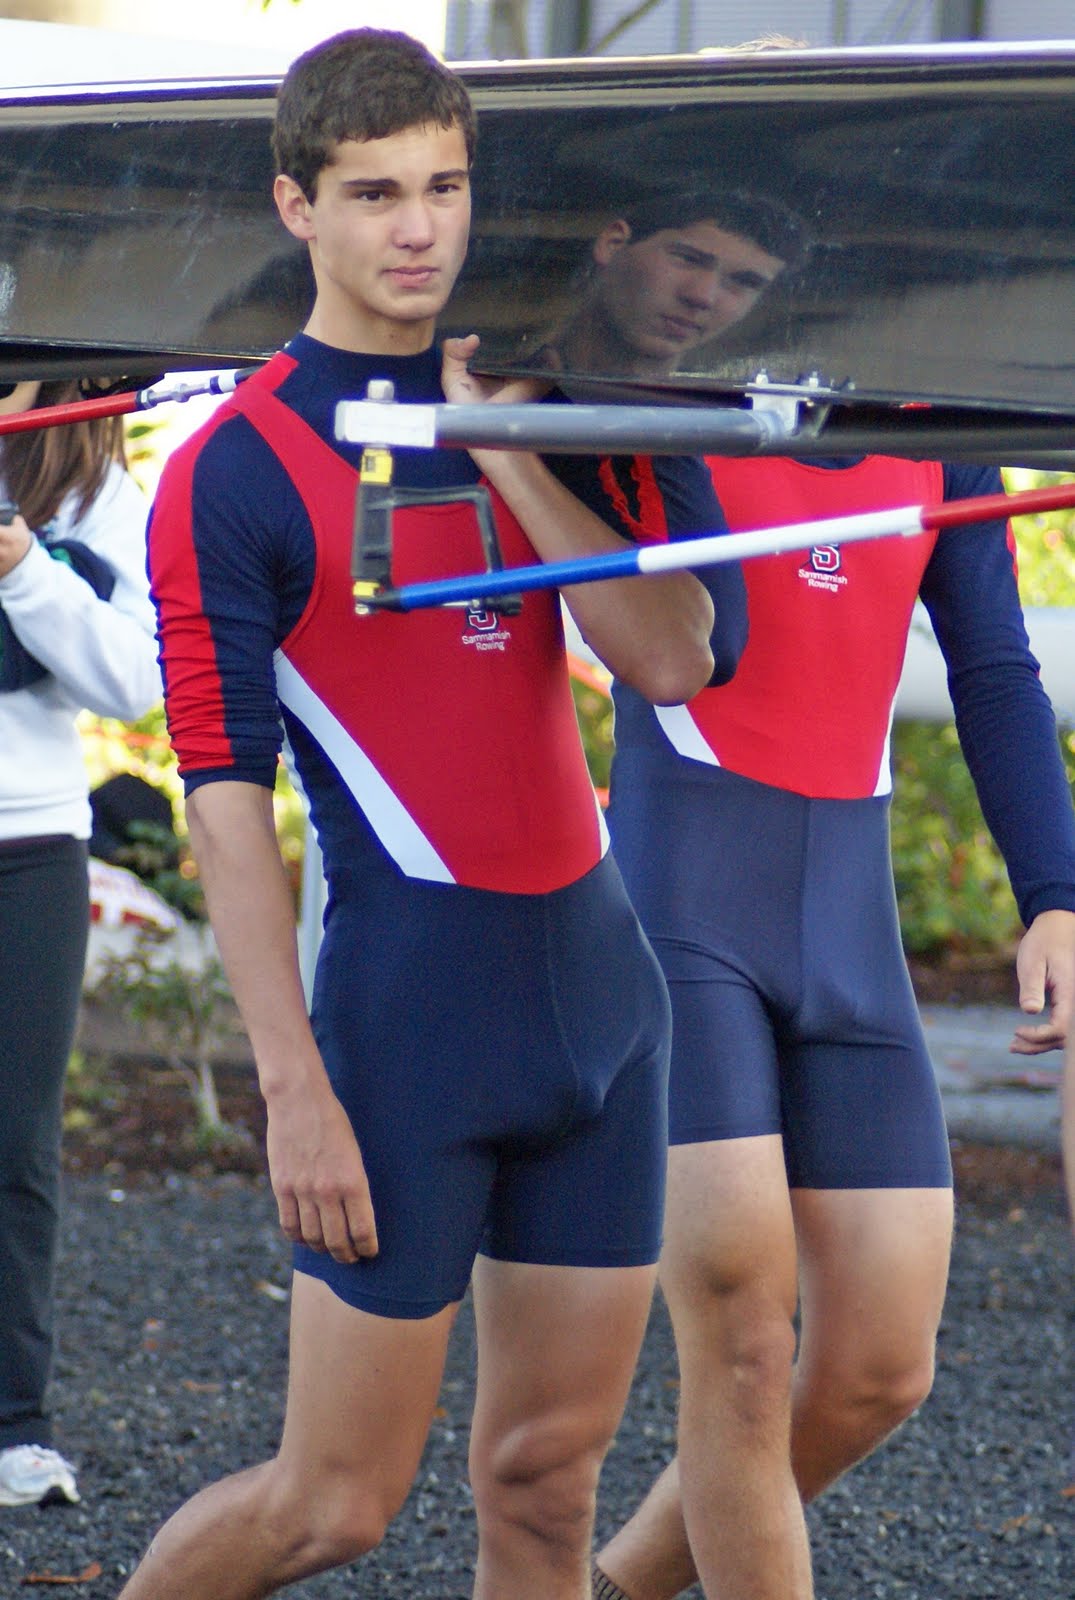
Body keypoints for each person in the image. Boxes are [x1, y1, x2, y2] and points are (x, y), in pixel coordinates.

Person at [117, 29, 743, 1600]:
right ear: (297, 208)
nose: (420, 228)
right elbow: (220, 798)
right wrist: (292, 1083)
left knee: (543, 1488)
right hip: (408, 1022)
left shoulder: (556, 397)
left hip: (606, 1013)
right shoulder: (233, 468)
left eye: (447, 187)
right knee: (331, 1504)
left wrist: (510, 438)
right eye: (377, 192)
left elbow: (671, 661)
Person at [587, 317, 1075, 1597]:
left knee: (878, 1368)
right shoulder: (654, 385)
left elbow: (994, 666)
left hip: (846, 925)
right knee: (743, 1351)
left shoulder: (939, 420)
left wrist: (1057, 896)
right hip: (684, 908)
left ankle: (615, 1586)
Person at [0, 377, 159, 1507]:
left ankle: (13, 1421)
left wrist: (21, 565)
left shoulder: (97, 486)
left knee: (14, 1146)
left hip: (26, 846)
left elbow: (135, 682)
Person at [524, 186, 806, 383]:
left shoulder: (744, 433)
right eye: (687, 259)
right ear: (613, 244)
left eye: (744, 282)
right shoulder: (486, 399)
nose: (702, 296)